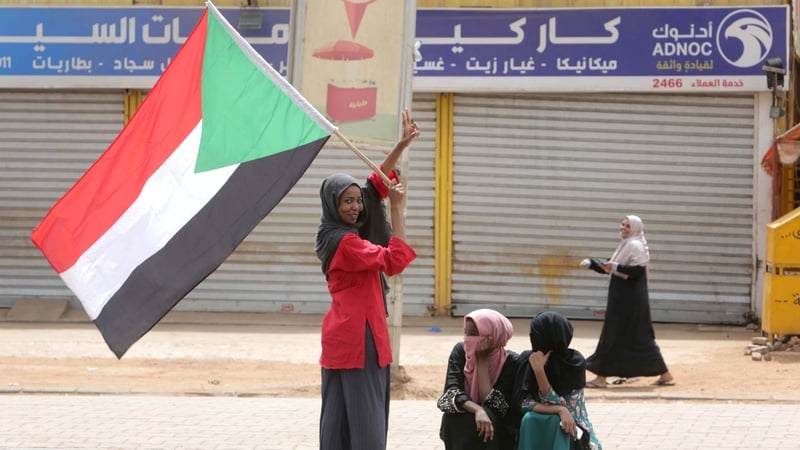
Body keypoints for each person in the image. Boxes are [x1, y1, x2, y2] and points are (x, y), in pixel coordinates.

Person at [314, 109, 419, 450]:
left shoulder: (330, 232)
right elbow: (394, 261)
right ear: (333, 202)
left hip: (341, 336)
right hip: (362, 337)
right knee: (368, 423)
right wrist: (400, 209)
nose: (357, 208)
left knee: (338, 419)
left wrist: (401, 145)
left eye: (357, 201)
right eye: (348, 201)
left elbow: (375, 185)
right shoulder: (347, 243)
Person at [581, 215, 675, 389]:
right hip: (624, 299)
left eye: (627, 226)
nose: (623, 228)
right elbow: (612, 267)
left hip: (629, 301)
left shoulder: (635, 245)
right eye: (622, 224)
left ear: (635, 229)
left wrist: (614, 267)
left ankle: (601, 377)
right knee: (637, 338)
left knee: (613, 336)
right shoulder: (627, 245)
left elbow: (637, 271)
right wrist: (593, 264)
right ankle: (665, 374)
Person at [514, 311, 601, 450]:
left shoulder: (574, 363)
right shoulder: (527, 360)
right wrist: (559, 410)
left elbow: (569, 408)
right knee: (531, 419)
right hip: (539, 427)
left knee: (557, 423)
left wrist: (540, 372)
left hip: (574, 426)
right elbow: (523, 402)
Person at [437, 308, 521, 450]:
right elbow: (450, 394)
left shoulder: (511, 361)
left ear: (493, 336)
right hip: (469, 416)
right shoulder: (460, 351)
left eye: (474, 335)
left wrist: (482, 361)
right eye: (466, 333)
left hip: (498, 431)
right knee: (452, 417)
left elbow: (495, 406)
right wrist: (477, 410)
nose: (468, 339)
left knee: (489, 415)